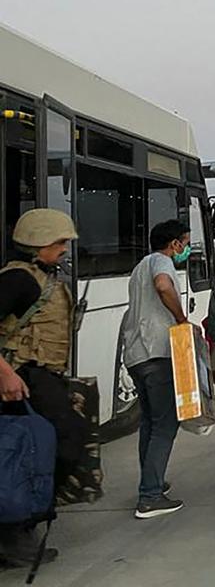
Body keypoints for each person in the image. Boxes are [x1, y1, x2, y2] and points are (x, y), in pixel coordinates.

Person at [0, 208, 77, 567]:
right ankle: (14, 534)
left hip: (41, 377)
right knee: (39, 454)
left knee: (53, 450)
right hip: (22, 379)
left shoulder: (42, 276)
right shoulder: (19, 280)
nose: (64, 249)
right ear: (37, 244)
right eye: (59, 242)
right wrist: (5, 374)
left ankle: (22, 528)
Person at [121, 219, 192, 519]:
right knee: (166, 424)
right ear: (174, 244)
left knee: (149, 422)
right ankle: (149, 496)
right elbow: (164, 287)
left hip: (136, 354)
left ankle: (152, 481)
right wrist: (181, 319)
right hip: (157, 353)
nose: (186, 249)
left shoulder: (140, 267)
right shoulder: (162, 263)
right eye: (185, 243)